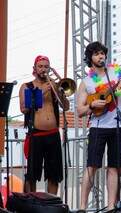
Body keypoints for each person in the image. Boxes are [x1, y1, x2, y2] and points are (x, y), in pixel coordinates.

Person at [77, 41, 121, 212]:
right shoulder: (86, 82)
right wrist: (92, 105)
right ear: (90, 58)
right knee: (92, 166)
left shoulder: (116, 71)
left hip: (118, 125)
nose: (100, 56)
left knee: (114, 167)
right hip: (98, 127)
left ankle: (110, 207)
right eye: (96, 53)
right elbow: (80, 110)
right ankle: (82, 207)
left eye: (102, 53)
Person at [19, 55, 70, 195]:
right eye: (40, 66)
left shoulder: (53, 85)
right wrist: (41, 93)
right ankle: (32, 204)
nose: (43, 69)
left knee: (54, 174)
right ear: (34, 68)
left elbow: (65, 107)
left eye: (46, 66)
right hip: (36, 135)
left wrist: (61, 92)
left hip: (53, 135)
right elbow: (24, 108)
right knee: (32, 175)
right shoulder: (27, 86)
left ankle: (51, 205)